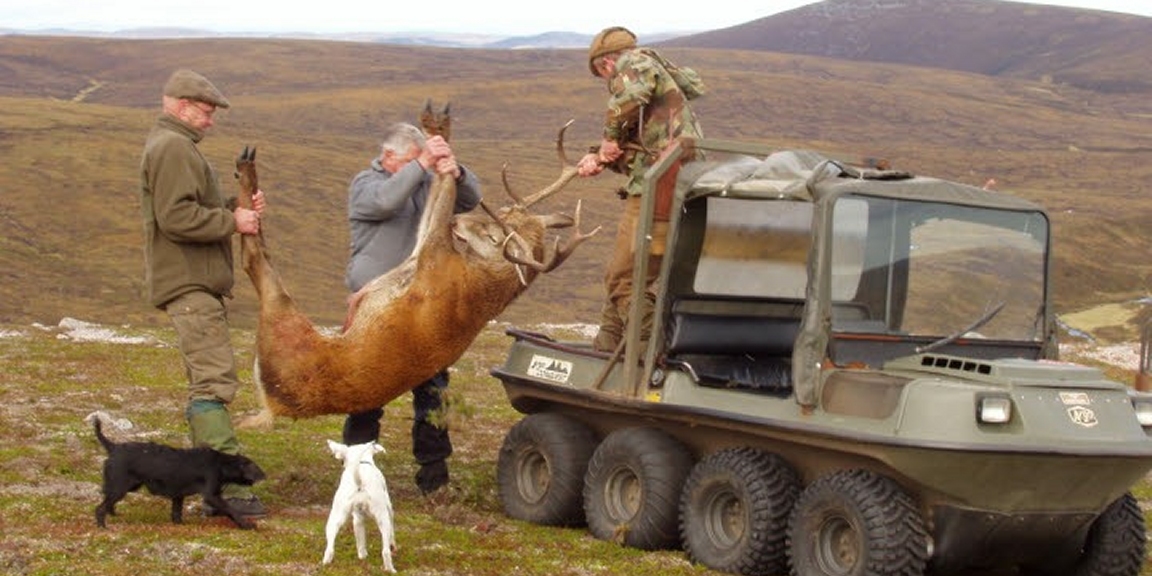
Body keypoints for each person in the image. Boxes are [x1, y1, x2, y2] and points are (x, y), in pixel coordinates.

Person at [139, 68, 267, 518]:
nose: (211, 121)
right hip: (190, 282)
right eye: (206, 112)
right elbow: (176, 217)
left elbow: (191, 209)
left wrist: (236, 209)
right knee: (213, 381)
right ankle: (223, 488)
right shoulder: (173, 148)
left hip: (195, 281)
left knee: (207, 380)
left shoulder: (176, 146)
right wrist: (233, 222)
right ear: (182, 105)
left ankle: (203, 477)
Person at [343, 122, 482, 495]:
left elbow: (470, 199)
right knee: (368, 387)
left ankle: (434, 476)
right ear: (389, 157)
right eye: (408, 160)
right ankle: (358, 471)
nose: (416, 168)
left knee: (433, 386)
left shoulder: (423, 182)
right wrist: (422, 164)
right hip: (376, 301)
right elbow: (387, 201)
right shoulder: (365, 185)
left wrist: (456, 172)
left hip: (422, 300)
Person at [577, 26, 706, 352]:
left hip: (660, 185)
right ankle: (606, 347)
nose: (610, 79)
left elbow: (631, 97)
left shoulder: (634, 62)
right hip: (677, 181)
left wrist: (608, 137)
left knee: (624, 279)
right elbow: (643, 144)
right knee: (635, 274)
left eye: (603, 71)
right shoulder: (663, 96)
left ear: (607, 61)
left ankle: (647, 354)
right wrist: (603, 155)